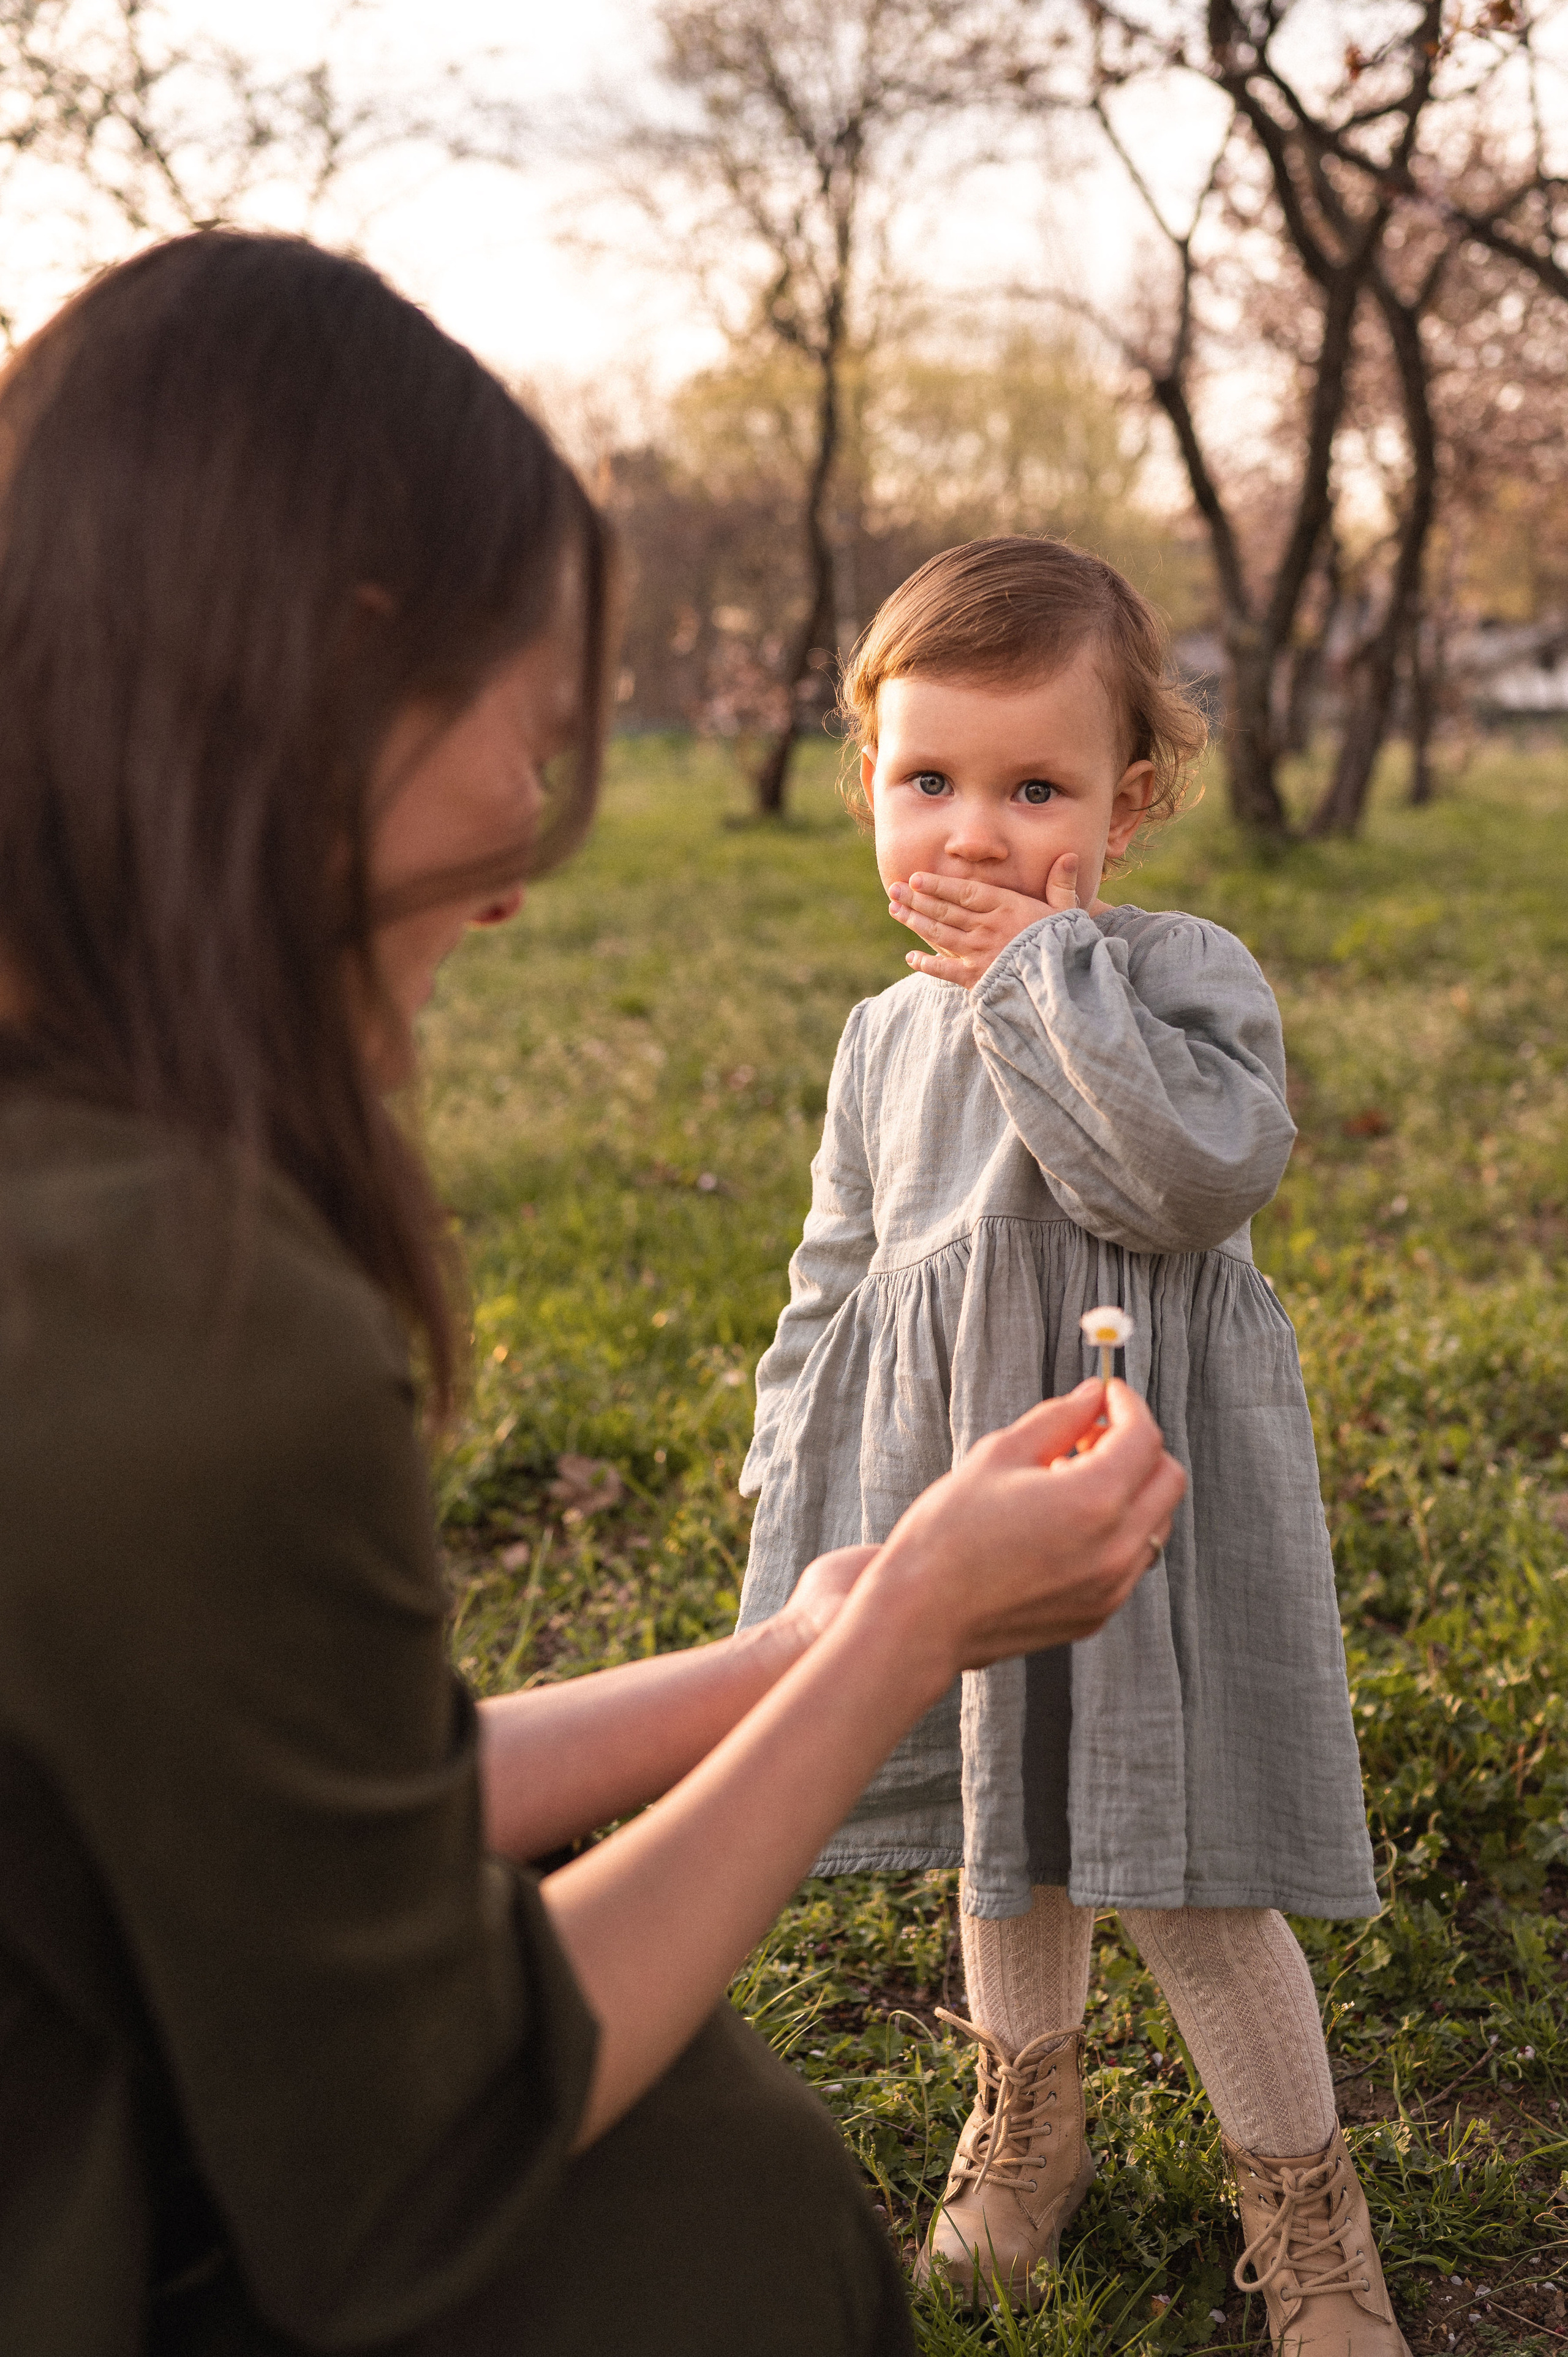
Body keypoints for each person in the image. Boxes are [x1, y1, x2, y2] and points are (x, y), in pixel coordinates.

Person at [0, 235, 1188, 2357]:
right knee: (716, 2201)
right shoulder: (185, 1325)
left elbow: (292, 1818)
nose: (529, 843)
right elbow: (425, 2146)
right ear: (351, 669)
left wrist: (791, 1645)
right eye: (529, 733)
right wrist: (907, 1628)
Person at [736, 538, 1408, 2356]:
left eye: (1034, 789)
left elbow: (1181, 1176)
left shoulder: (1178, 978)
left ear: (1129, 801)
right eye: (928, 781)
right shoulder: (881, 1039)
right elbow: (839, 1275)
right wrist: (790, 1460)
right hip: (966, 1499)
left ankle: (1310, 2216)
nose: (972, 832)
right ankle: (1030, 2131)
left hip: (1138, 1506)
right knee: (999, 1828)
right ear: (867, 781)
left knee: (1183, 1869)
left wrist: (1043, 978)